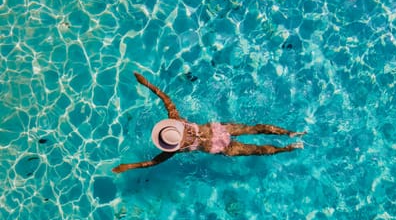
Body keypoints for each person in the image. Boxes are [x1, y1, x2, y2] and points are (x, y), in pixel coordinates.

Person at [112, 72, 305, 173]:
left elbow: (152, 162)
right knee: (257, 129)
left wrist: (128, 167)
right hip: (219, 128)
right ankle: (290, 133)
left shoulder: (172, 150)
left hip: (219, 147)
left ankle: (288, 148)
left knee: (257, 150)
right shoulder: (176, 119)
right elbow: (165, 98)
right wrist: (146, 83)